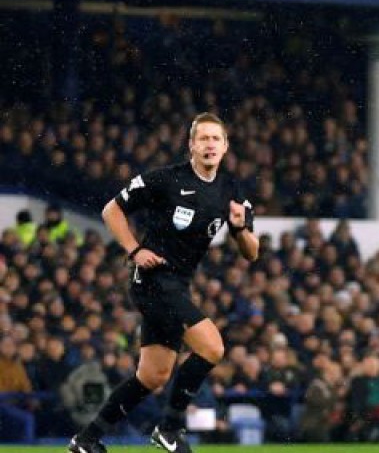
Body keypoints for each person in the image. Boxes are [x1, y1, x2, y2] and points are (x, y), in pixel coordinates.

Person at [68, 113, 258, 453]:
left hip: (178, 285)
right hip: (153, 280)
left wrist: (241, 229)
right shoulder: (164, 180)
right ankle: (169, 429)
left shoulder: (231, 191)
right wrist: (134, 249)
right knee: (213, 347)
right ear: (191, 145)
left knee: (153, 376)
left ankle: (87, 439)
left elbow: (251, 253)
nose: (210, 144)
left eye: (216, 139)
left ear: (226, 147)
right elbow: (111, 210)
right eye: (204, 139)